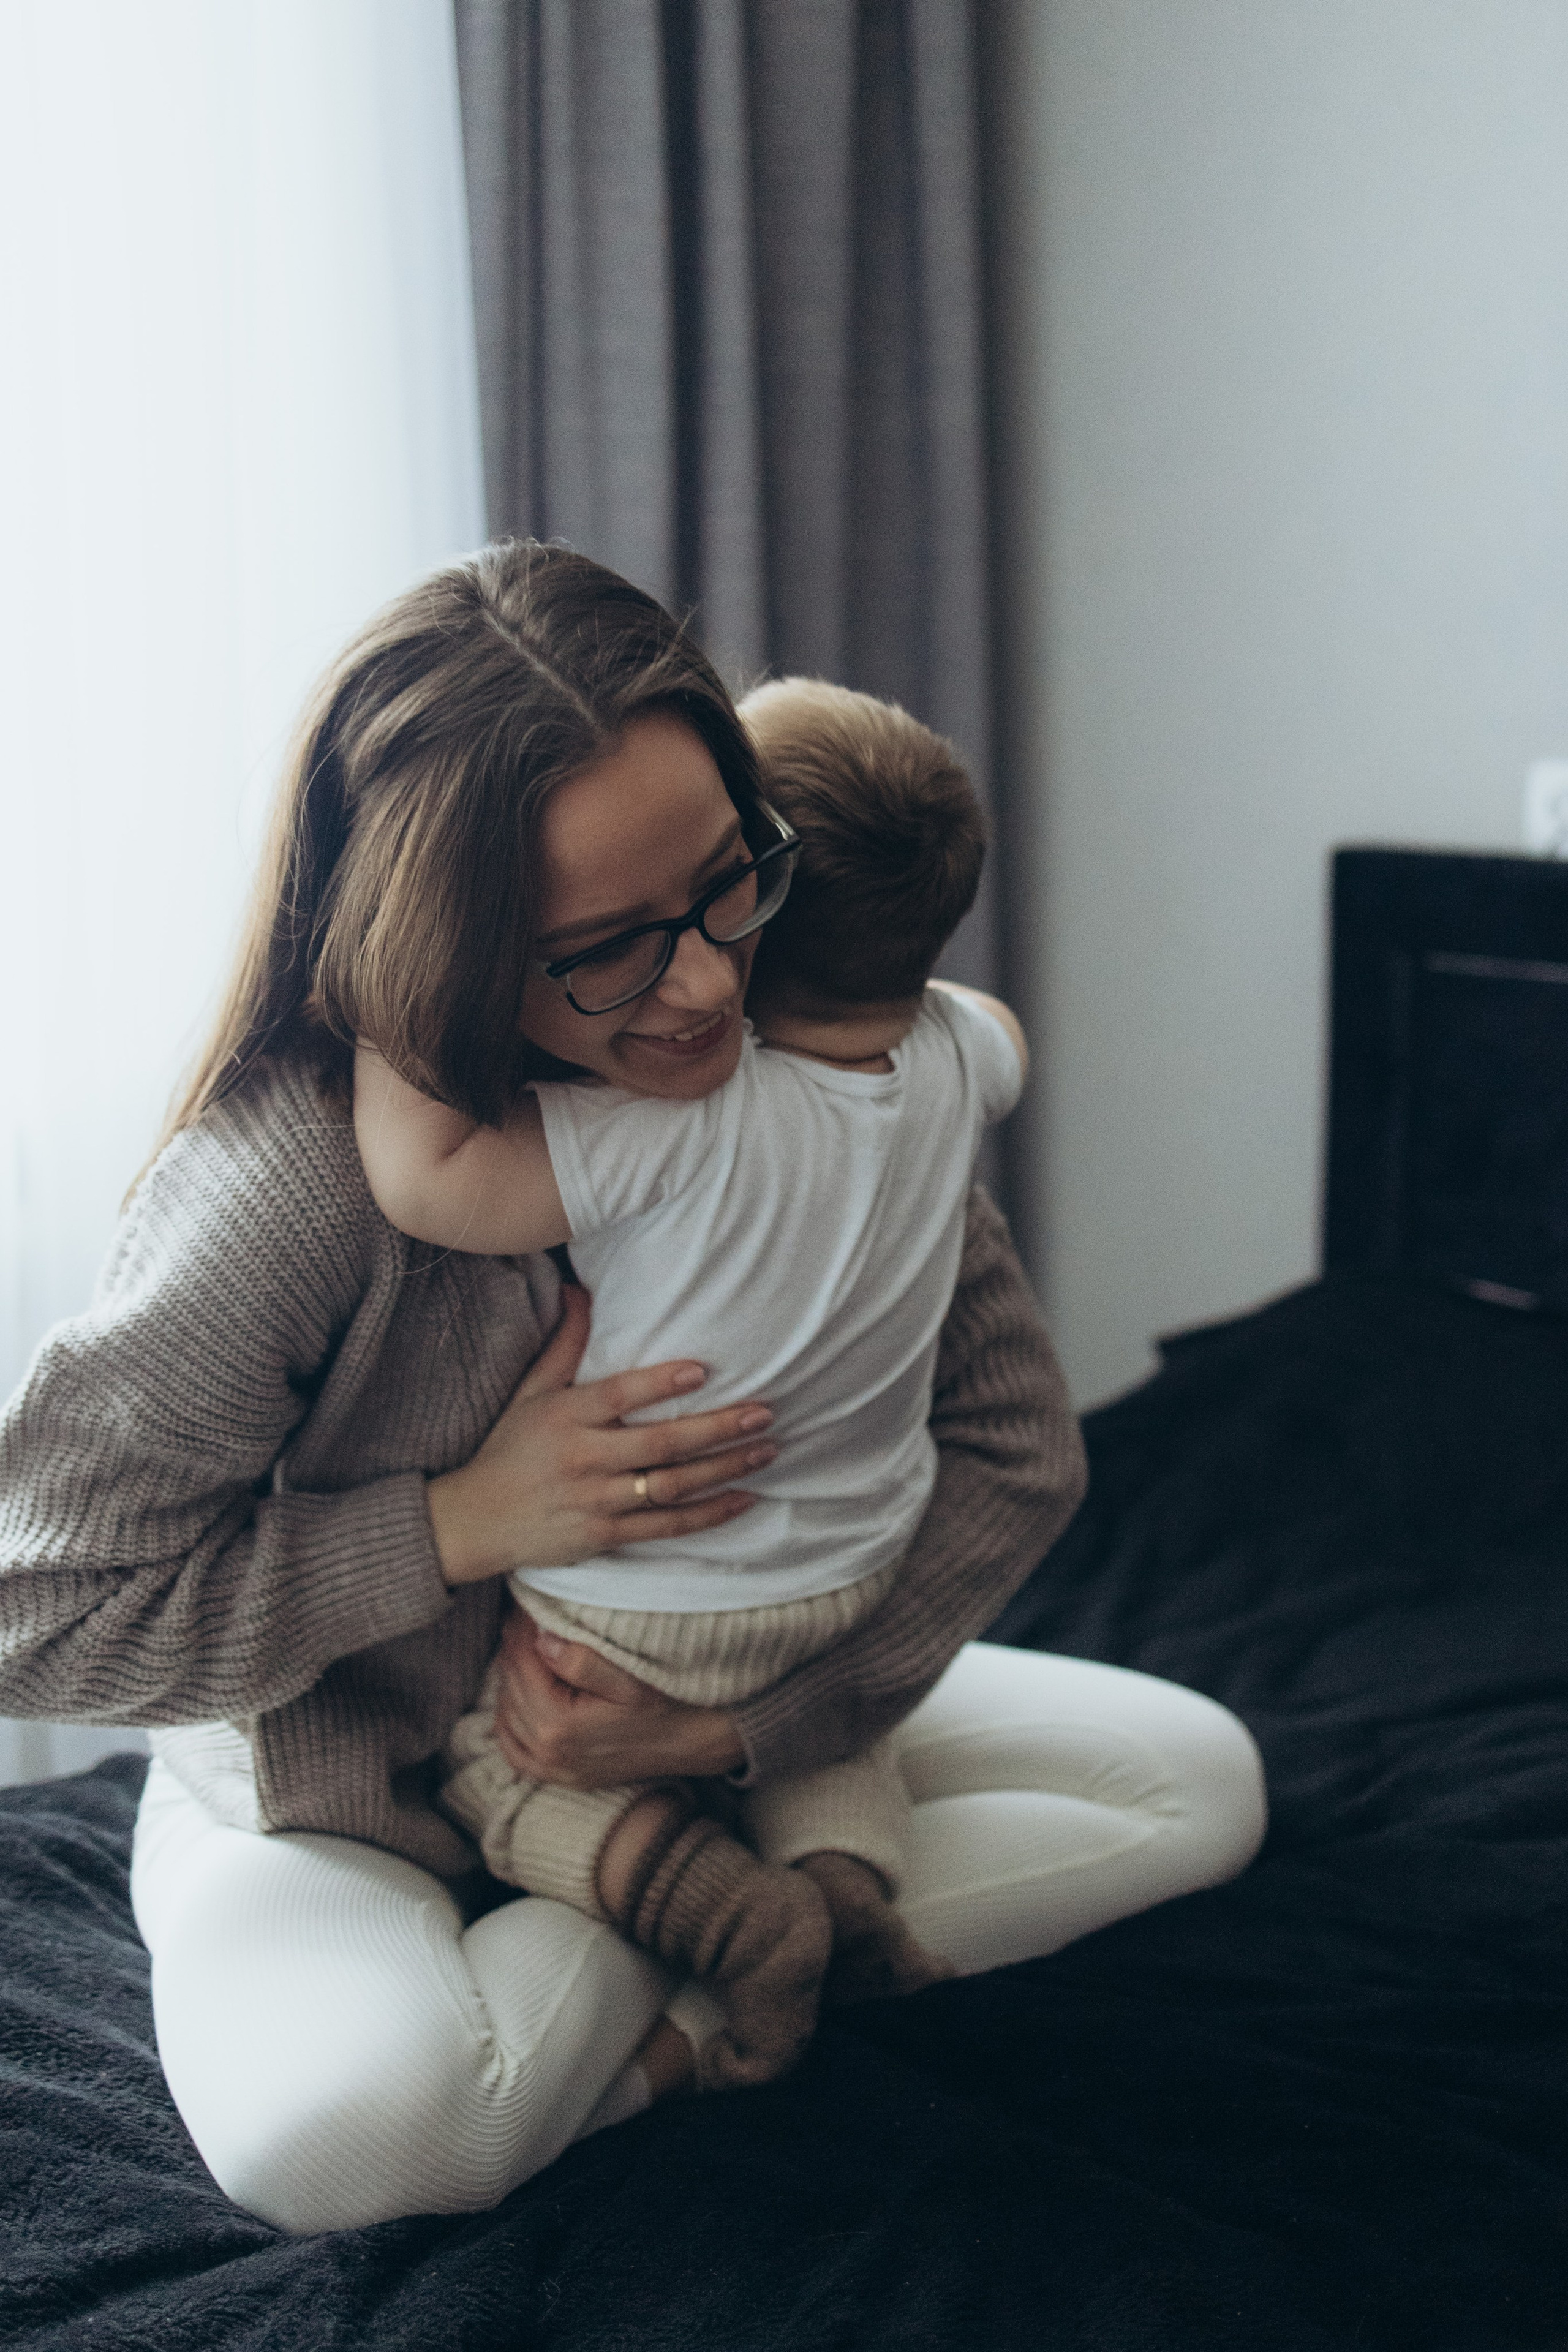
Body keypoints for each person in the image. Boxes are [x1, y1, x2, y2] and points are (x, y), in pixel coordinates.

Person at [0, 541, 1264, 2235]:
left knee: (1201, 1784)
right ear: (438, 947)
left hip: (702, 1727)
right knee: (350, 2151)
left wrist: (746, 1730)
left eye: (735, 881)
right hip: (353, 1792)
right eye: (608, 949)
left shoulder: (810, 1087)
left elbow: (1016, 1445)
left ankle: (704, 1914)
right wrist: (455, 1525)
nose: (711, 987)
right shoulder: (292, 1195)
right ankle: (694, 1952)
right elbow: (39, 1617)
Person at [353, 679, 1029, 2086]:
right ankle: (850, 1894)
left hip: (644, 1595)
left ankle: (748, 1926)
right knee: (837, 1746)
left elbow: (428, 1177)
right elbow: (978, 1019)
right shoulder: (963, 1059)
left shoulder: (678, 1126)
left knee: (503, 1771)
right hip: (855, 1568)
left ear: (752, 925)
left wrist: (380, 981)